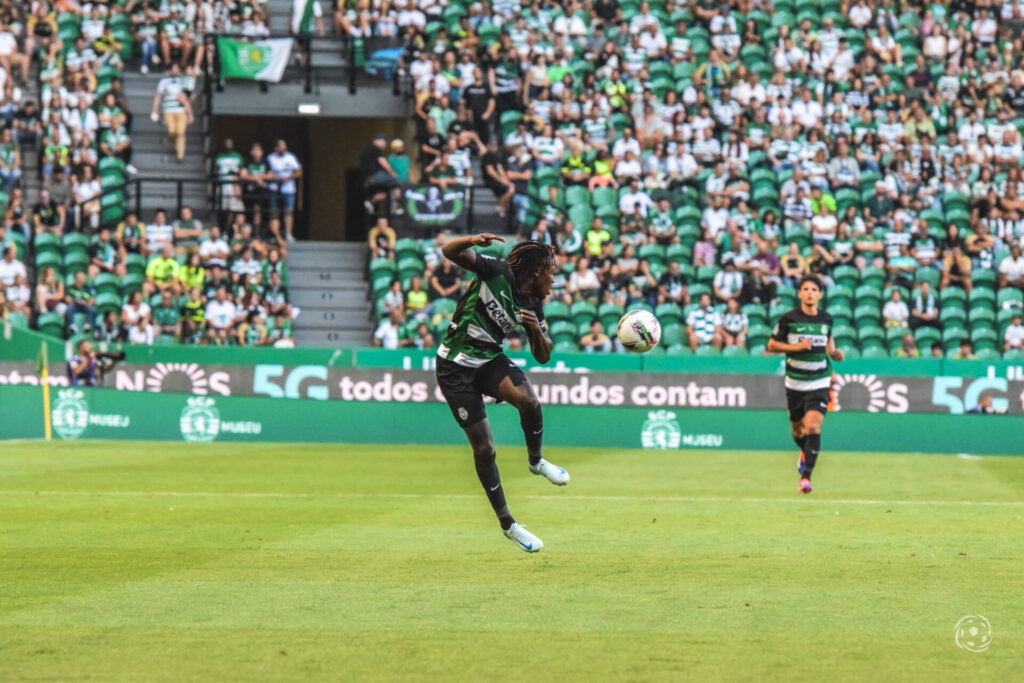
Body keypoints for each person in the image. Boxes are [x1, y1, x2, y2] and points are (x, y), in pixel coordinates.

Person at [434, 234, 568, 553]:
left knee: (529, 400)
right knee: (484, 448)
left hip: (489, 359)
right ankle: (509, 524)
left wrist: (536, 330)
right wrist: (473, 240)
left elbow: (544, 355)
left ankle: (535, 462)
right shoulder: (496, 272)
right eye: (551, 271)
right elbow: (449, 251)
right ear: (537, 272)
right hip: (455, 366)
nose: (554, 278)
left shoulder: (534, 303)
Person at [766, 275, 844, 494]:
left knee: (812, 426)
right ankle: (804, 452)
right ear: (800, 293)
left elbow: (829, 347)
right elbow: (771, 345)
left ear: (819, 294)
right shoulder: (788, 319)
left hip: (819, 381)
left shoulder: (826, 319)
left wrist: (835, 354)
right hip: (795, 383)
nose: (810, 292)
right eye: (806, 289)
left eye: (814, 289)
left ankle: (806, 477)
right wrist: (796, 348)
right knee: (798, 431)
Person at [150, 63, 193, 162]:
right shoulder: (164, 81)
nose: (175, 70)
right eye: (173, 69)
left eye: (177, 68)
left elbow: (188, 96)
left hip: (181, 110)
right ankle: (173, 143)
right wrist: (154, 110)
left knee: (181, 132)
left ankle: (180, 155)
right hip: (169, 109)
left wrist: (189, 112)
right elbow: (158, 96)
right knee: (172, 131)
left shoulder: (183, 81)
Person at [267, 139, 302, 242]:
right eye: (280, 147)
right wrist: (276, 178)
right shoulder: (270, 158)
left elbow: (299, 172)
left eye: (284, 146)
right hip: (274, 188)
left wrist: (288, 178)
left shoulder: (291, 157)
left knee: (288, 211)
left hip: (289, 189)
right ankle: (275, 235)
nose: (283, 149)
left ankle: (288, 234)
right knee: (274, 212)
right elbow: (267, 172)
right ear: (276, 148)